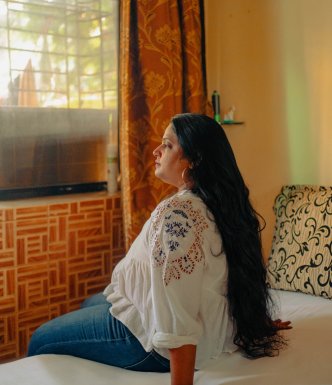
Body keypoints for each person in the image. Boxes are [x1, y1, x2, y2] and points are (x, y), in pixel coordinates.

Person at [28, 113, 291, 385]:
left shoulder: (178, 215)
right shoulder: (219, 203)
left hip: (157, 345)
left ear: (194, 159)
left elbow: (178, 315)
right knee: (91, 302)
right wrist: (255, 322)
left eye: (167, 145)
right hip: (150, 303)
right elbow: (227, 275)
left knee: (40, 339)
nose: (156, 151)